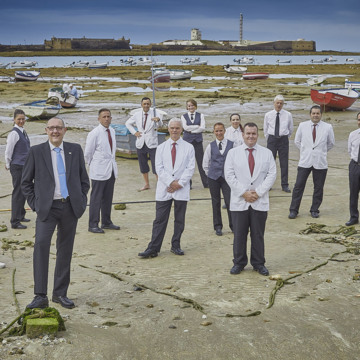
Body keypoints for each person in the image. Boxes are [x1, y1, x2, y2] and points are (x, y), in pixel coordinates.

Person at [21, 117, 89, 309]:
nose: (55, 131)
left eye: (58, 128)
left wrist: (81, 201)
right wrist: (36, 204)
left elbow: (84, 180)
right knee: (41, 247)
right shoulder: (36, 152)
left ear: (65, 130)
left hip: (70, 207)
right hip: (47, 209)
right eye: (51, 128)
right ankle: (40, 295)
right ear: (46, 130)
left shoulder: (75, 150)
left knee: (65, 251)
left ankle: (60, 294)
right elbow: (26, 183)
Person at [138, 118, 195, 258]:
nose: (174, 130)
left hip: (181, 188)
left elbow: (190, 168)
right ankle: (153, 248)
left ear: (181, 130)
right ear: (168, 129)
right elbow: (159, 168)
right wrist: (171, 183)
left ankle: (176, 245)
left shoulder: (189, 147)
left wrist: (179, 184)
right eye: (172, 128)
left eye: (177, 128)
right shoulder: (161, 148)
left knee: (179, 219)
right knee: (159, 219)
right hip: (165, 188)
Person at [224, 122, 276, 276]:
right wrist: (244, 193)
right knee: (239, 234)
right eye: (248, 133)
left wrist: (258, 193)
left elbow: (272, 175)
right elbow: (229, 175)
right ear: (243, 135)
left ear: (257, 135)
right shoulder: (233, 153)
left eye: (253, 133)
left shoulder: (267, 153)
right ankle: (239, 263)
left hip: (259, 201)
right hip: (240, 201)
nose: (251, 136)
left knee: (258, 234)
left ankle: (259, 263)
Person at [288, 105, 335, 219]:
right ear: (310, 114)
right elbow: (297, 141)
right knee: (298, 186)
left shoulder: (327, 127)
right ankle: (294, 210)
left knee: (318, 187)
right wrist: (306, 151)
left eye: (317, 113)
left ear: (321, 115)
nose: (315, 115)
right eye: (313, 113)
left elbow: (331, 143)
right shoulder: (302, 126)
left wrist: (320, 152)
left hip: (320, 161)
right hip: (305, 160)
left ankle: (314, 209)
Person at [85, 108, 119, 234]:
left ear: (111, 118)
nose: (106, 119)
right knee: (96, 198)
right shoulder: (94, 133)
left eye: (108, 116)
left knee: (108, 197)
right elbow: (88, 153)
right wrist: (93, 165)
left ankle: (106, 221)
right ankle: (93, 224)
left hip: (110, 169)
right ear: (99, 119)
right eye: (104, 117)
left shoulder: (112, 131)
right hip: (98, 170)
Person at [126, 97, 163, 191]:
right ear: (141, 105)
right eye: (144, 104)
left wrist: (158, 120)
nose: (146, 105)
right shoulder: (137, 114)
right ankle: (147, 184)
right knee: (143, 164)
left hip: (152, 143)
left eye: (148, 104)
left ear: (150, 104)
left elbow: (161, 125)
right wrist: (135, 133)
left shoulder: (155, 113)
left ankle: (160, 184)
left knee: (156, 164)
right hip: (140, 142)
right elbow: (128, 123)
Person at [203, 122, 234, 236]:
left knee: (230, 201)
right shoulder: (210, 146)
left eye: (221, 130)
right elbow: (205, 163)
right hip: (213, 178)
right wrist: (211, 174)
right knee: (215, 202)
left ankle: (233, 226)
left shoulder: (232, 144)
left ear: (224, 131)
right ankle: (218, 227)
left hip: (227, 178)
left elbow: (235, 161)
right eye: (216, 131)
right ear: (214, 132)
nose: (219, 133)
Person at [5, 109, 30, 229]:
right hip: (17, 166)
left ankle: (21, 215)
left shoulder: (23, 131)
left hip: (24, 166)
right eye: (19, 119)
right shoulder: (14, 133)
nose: (21, 121)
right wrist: (8, 164)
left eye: (23, 119)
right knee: (17, 193)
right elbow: (8, 150)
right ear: (14, 120)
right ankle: (14, 222)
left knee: (24, 191)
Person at [264, 95, 294, 193]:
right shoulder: (268, 115)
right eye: (277, 103)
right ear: (274, 103)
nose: (279, 105)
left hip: (283, 140)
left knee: (284, 163)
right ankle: (268, 185)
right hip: (272, 140)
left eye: (281, 103)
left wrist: (284, 137)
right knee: (269, 163)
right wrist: (269, 139)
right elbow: (265, 129)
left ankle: (285, 185)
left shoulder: (288, 115)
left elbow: (290, 129)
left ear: (283, 104)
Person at [181, 99, 208, 188]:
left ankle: (206, 183)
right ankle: (188, 184)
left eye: (192, 105)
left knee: (201, 162)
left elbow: (202, 128)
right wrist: (196, 127)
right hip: (187, 141)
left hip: (198, 141)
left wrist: (191, 129)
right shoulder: (183, 116)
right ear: (187, 107)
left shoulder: (201, 115)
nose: (190, 107)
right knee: (187, 163)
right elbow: (185, 128)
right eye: (189, 106)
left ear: (195, 106)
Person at [345, 112, 360, 226]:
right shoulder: (353, 135)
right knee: (353, 193)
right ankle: (353, 217)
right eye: (359, 120)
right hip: (355, 166)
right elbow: (350, 150)